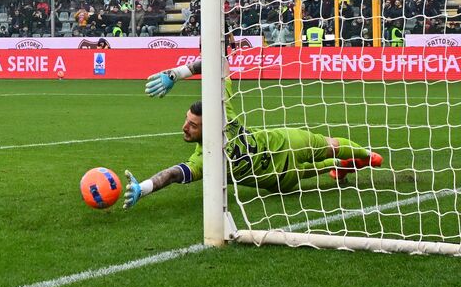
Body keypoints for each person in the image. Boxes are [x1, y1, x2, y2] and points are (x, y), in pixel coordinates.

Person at [122, 57, 383, 208]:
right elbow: (221, 63)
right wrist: (179, 73)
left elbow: (173, 175)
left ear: (208, 125)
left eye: (193, 124)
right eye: (187, 120)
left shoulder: (210, 152)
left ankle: (366, 156)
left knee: (328, 150)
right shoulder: (220, 123)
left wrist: (143, 188)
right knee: (327, 157)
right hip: (282, 167)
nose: (185, 127)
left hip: (282, 157)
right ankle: (351, 161)